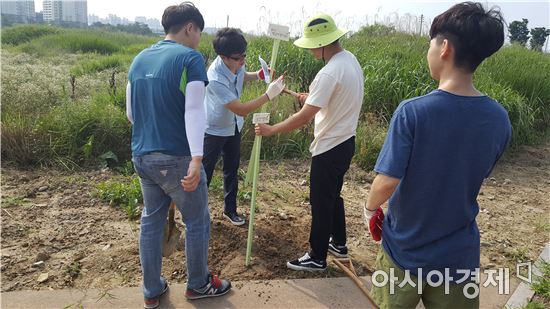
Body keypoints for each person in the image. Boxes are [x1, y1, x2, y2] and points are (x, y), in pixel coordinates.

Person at [363, 2, 511, 308]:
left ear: (444, 48)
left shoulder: (413, 112)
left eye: (431, 43)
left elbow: (387, 181)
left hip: (403, 253)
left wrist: (369, 209)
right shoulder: (499, 119)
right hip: (458, 259)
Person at [126, 3, 231, 308]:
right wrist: (197, 160)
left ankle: (151, 290)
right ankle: (198, 284)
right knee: (197, 220)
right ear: (189, 28)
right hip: (179, 159)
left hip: (143, 156)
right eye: (198, 32)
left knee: (151, 220)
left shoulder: (139, 58)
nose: (199, 39)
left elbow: (132, 114)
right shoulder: (190, 58)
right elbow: (195, 109)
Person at [255, 13, 364, 271]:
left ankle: (317, 256)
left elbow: (303, 118)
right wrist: (311, 97)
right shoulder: (349, 61)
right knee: (332, 196)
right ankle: (338, 242)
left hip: (329, 146)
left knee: (320, 200)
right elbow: (334, 98)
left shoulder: (329, 72)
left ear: (322, 44)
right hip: (346, 141)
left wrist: (272, 130)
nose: (311, 50)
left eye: (313, 45)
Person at [202, 28, 285, 226]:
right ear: (223, 57)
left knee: (232, 169)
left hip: (233, 126)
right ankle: (197, 214)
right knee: (205, 173)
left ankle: (230, 210)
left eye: (244, 56)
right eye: (239, 58)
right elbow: (240, 109)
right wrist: (268, 95)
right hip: (213, 129)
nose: (243, 61)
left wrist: (258, 75)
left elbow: (241, 74)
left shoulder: (235, 64)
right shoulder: (214, 78)